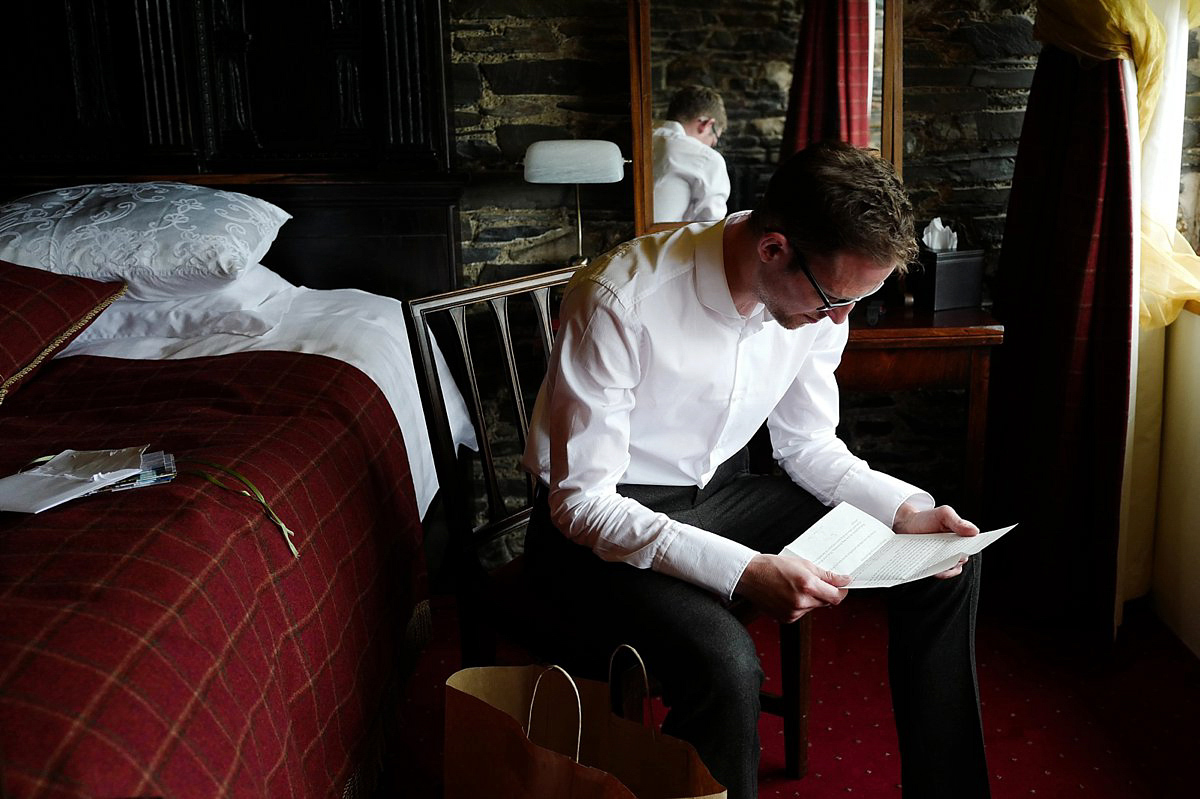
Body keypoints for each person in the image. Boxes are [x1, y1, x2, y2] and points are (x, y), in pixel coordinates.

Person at [521, 140, 991, 799]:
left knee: (943, 562)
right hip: (590, 531)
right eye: (833, 299)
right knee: (726, 664)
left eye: (857, 301)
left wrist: (906, 510)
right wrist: (743, 569)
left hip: (722, 495)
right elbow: (581, 503)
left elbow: (808, 449)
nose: (839, 320)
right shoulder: (620, 297)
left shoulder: (821, 303)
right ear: (774, 249)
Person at [652, 85, 732, 223]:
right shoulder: (706, 158)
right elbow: (710, 225)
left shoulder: (638, 137)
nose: (711, 146)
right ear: (706, 124)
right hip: (661, 242)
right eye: (714, 140)